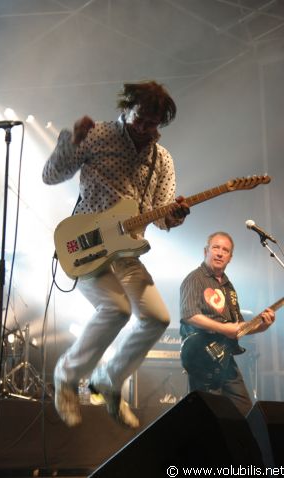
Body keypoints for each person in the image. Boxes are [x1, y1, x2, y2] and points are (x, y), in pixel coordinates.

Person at [42, 80, 190, 428]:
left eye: (151, 123)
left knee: (156, 318)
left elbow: (162, 213)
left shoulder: (162, 159)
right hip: (87, 245)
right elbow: (50, 176)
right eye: (139, 118)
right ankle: (66, 375)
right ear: (127, 109)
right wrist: (70, 141)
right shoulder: (99, 135)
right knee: (117, 308)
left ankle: (108, 380)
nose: (143, 128)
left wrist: (175, 215)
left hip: (126, 252)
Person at [179, 231, 275, 416]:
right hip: (201, 356)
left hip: (225, 358)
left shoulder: (229, 287)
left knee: (246, 413)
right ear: (205, 251)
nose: (220, 253)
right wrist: (224, 328)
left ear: (230, 258)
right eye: (216, 248)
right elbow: (190, 315)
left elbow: (238, 327)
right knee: (209, 416)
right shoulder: (195, 279)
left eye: (226, 250)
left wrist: (263, 325)